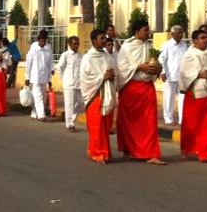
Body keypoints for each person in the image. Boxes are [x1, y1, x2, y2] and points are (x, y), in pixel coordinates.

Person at [115, 21, 166, 165]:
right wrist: (138, 67)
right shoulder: (127, 47)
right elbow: (122, 67)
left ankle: (151, 154)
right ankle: (128, 149)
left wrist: (156, 68)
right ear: (136, 31)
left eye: (148, 30)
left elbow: (154, 62)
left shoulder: (149, 46)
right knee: (127, 121)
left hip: (146, 87)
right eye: (145, 30)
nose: (148, 32)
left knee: (149, 121)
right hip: (130, 87)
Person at [178, 30, 207, 165]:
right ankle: (187, 149)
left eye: (206, 37)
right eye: (202, 38)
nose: (205, 40)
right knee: (191, 123)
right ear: (195, 41)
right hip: (195, 92)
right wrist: (199, 75)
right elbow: (184, 73)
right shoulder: (189, 54)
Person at [80, 29, 116, 164]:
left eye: (105, 38)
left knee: (106, 126)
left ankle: (104, 151)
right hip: (94, 96)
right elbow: (85, 79)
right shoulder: (88, 58)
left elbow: (114, 71)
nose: (105, 40)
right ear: (94, 41)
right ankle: (97, 153)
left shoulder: (108, 56)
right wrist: (102, 77)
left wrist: (112, 76)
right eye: (102, 38)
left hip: (107, 94)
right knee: (97, 126)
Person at [159, 25, 188, 126]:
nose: (180, 35)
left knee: (183, 98)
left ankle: (182, 120)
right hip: (169, 75)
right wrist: (162, 72)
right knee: (168, 99)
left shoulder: (184, 45)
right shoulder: (166, 45)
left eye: (181, 32)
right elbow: (161, 59)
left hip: (182, 76)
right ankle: (168, 119)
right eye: (178, 33)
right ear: (172, 34)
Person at [24, 30, 54, 121]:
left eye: (44, 41)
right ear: (38, 40)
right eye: (41, 41)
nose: (43, 43)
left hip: (44, 76)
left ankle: (34, 113)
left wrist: (50, 75)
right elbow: (28, 63)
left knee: (42, 96)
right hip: (35, 76)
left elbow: (50, 62)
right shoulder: (33, 48)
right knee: (38, 96)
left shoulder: (48, 48)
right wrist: (27, 77)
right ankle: (41, 115)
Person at [57, 36, 83, 132]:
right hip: (69, 84)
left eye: (78, 44)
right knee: (69, 104)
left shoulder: (80, 55)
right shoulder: (66, 55)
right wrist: (63, 79)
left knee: (80, 102)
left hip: (79, 83)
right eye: (74, 44)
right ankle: (70, 124)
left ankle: (72, 118)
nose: (76, 46)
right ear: (70, 44)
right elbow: (60, 68)